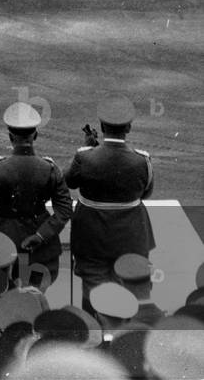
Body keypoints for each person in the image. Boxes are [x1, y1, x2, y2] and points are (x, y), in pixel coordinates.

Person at [64, 94, 155, 312]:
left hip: (91, 237)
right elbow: (145, 193)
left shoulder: (84, 157)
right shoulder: (142, 160)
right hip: (131, 237)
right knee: (130, 291)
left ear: (102, 127)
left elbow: (68, 181)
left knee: (92, 291)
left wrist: (87, 150)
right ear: (129, 127)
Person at [0, 102, 72, 286]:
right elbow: (64, 209)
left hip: (5, 243)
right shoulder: (49, 168)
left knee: (6, 295)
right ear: (35, 135)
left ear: (10, 137)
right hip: (42, 248)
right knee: (37, 295)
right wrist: (41, 235)